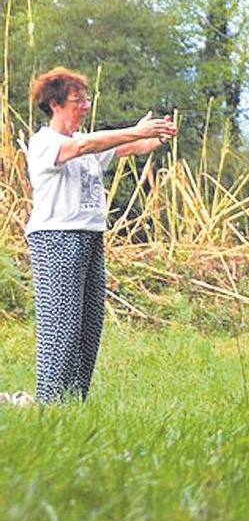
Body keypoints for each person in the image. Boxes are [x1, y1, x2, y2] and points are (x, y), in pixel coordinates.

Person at [24, 67, 177, 404]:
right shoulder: (45, 143)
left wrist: (156, 134)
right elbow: (83, 146)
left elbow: (132, 147)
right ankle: (48, 403)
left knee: (88, 327)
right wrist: (134, 130)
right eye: (79, 100)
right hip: (56, 238)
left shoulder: (87, 143)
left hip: (91, 237)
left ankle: (73, 403)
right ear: (55, 104)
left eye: (86, 99)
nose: (86, 106)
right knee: (60, 328)